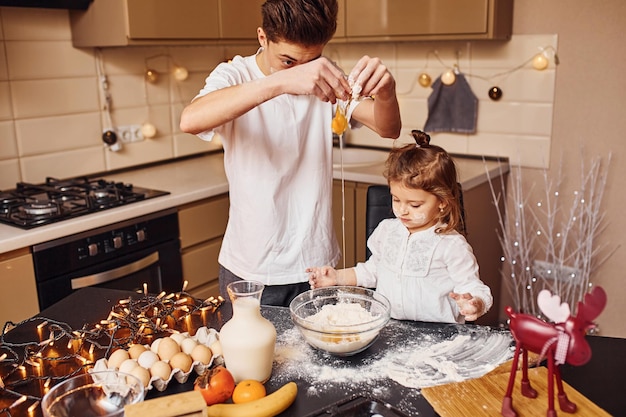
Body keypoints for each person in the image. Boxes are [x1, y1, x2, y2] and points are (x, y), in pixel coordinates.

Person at [179, 0, 402, 307]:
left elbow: (388, 128)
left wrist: (387, 93)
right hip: (252, 270)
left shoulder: (324, 74)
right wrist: (281, 83)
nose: (304, 71)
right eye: (288, 61)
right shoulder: (234, 75)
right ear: (262, 38)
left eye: (312, 60)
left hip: (317, 267)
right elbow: (190, 120)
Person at [307, 131, 492, 323]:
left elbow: (473, 286)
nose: (402, 211)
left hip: (437, 335)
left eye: (414, 205)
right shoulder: (387, 231)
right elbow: (373, 271)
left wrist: (474, 302)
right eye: (396, 200)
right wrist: (337, 277)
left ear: (442, 202)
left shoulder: (452, 245)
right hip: (388, 327)